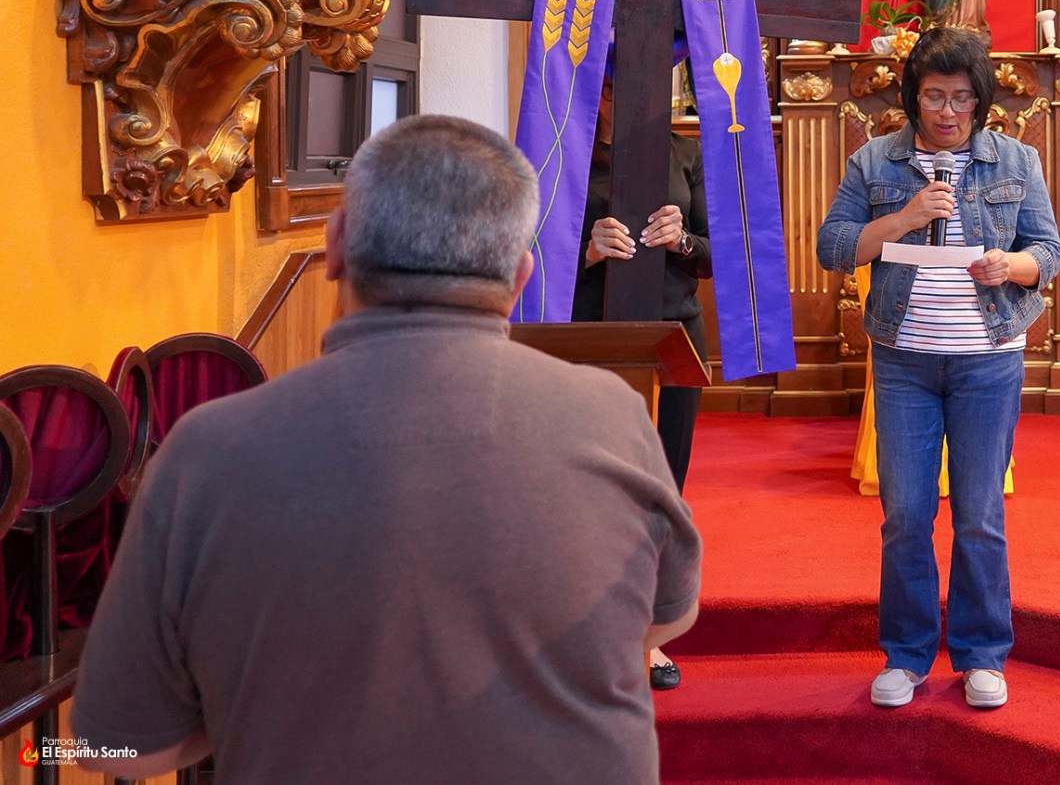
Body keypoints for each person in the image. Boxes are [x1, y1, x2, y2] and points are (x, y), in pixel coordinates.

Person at [71, 115, 700, 783]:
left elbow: (115, 748)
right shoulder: (615, 416)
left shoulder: (205, 451)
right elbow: (666, 616)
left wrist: (245, 707)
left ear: (336, 246)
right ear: (521, 275)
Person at [815, 27, 1060, 712]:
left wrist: (1011, 265)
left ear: (980, 100)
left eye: (960, 98)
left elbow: (1049, 250)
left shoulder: (1016, 158)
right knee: (905, 513)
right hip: (905, 362)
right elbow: (833, 247)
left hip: (989, 359)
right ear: (912, 97)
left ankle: (982, 654)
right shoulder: (875, 160)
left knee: (979, 513)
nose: (947, 112)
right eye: (933, 97)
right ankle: (906, 653)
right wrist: (903, 217)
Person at [575, 74, 710, 691]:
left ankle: (647, 634)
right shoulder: (563, 147)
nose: (622, 97)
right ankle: (584, 625)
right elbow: (526, 250)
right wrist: (587, 251)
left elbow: (719, 254)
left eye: (632, 85)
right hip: (588, 336)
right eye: (609, 87)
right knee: (589, 487)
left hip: (672, 333)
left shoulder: (685, 152)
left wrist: (681, 240)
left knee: (662, 484)